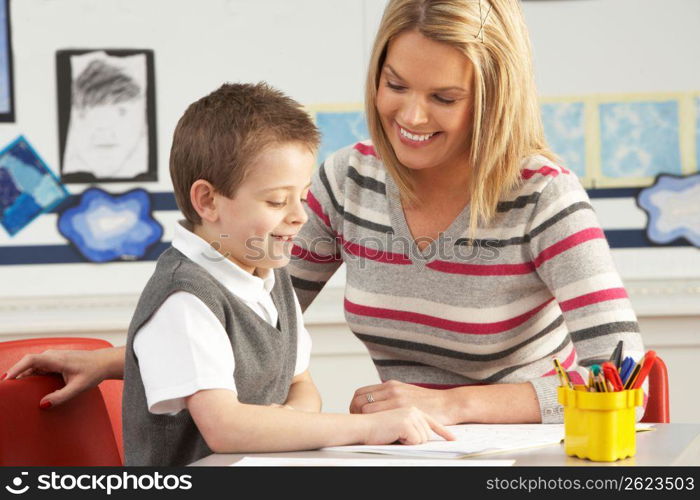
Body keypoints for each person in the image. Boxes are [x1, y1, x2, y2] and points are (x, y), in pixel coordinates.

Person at [4, 0, 644, 426]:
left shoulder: (543, 197)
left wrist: (455, 406)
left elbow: (623, 377)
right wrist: (124, 357)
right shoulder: (350, 180)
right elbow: (252, 312)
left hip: (522, 454)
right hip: (404, 446)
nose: (411, 118)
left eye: (444, 97)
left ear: (493, 99)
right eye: (395, 85)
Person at [11, 82, 454, 466]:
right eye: (278, 201)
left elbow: (302, 386)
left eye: (303, 196)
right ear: (207, 201)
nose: (301, 217)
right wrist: (362, 429)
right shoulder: (184, 299)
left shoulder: (267, 274)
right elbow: (225, 428)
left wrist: (287, 424)